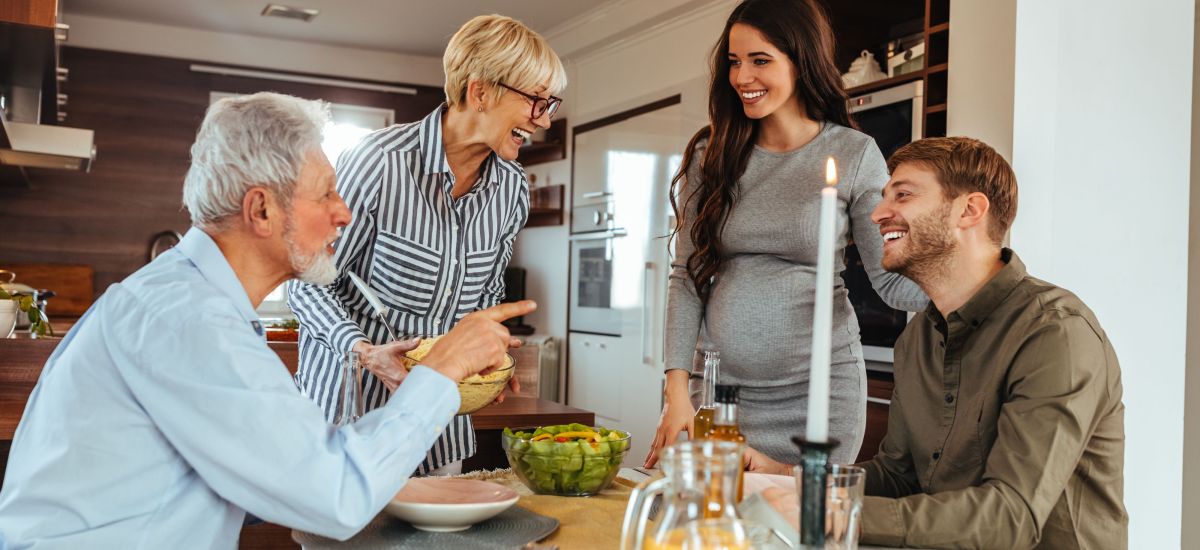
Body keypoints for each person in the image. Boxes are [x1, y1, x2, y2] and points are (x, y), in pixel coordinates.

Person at [0, 92, 536, 548]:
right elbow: (334, 494)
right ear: (261, 210)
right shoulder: (189, 322)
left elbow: (260, 463)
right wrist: (439, 370)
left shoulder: (193, 301)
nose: (343, 212)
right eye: (326, 191)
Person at [751, 137, 1127, 549]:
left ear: (969, 210)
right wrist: (785, 475)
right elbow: (897, 477)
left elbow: (1010, 517)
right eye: (883, 198)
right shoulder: (917, 339)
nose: (877, 214)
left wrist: (832, 512)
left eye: (903, 195)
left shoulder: (1055, 334)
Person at [646, 0, 926, 468]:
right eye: (734, 62)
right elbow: (686, 276)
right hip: (720, 395)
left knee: (804, 529)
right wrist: (676, 388)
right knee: (716, 528)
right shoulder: (709, 154)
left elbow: (892, 281)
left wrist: (970, 278)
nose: (741, 78)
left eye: (760, 61)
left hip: (819, 395)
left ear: (802, 61)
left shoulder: (853, 155)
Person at [288, 14, 566, 476]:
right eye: (536, 101)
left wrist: (491, 354)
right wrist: (367, 352)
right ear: (479, 92)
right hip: (351, 419)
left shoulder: (513, 190)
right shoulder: (378, 163)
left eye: (550, 103)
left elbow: (484, 299)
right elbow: (307, 284)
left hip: (439, 429)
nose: (544, 119)